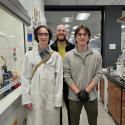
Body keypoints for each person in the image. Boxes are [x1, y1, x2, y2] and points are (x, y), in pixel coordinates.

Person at [21, 25, 63, 125]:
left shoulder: (56, 56)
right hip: (35, 97)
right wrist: (26, 99)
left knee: (51, 121)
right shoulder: (29, 55)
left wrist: (58, 100)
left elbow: (59, 80)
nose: (43, 37)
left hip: (51, 97)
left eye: (46, 34)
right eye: (40, 34)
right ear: (36, 36)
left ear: (49, 36)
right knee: (36, 121)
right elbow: (25, 78)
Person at [63, 25, 102, 125]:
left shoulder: (96, 55)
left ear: (88, 37)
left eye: (85, 34)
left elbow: (98, 74)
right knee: (74, 122)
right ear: (75, 37)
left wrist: (86, 91)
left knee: (93, 122)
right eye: (79, 34)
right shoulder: (68, 55)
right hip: (74, 96)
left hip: (91, 96)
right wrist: (78, 92)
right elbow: (66, 76)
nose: (82, 37)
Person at [51, 24, 75, 125]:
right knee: (57, 109)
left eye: (63, 30)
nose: (61, 32)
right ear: (56, 33)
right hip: (55, 83)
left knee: (71, 110)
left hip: (69, 83)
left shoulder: (73, 47)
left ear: (66, 33)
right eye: (59, 30)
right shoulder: (50, 48)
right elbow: (42, 65)